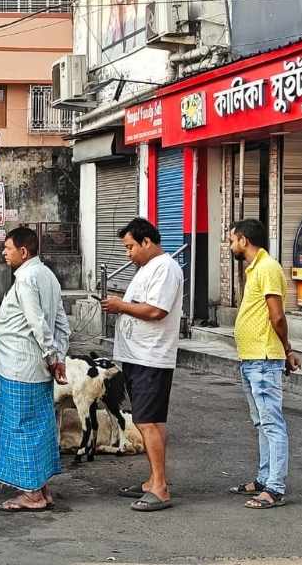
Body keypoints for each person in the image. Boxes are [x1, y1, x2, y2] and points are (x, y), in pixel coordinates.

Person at [102, 217, 183, 512]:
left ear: (146, 242)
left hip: (151, 356)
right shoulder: (148, 268)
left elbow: (156, 310)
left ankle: (160, 488)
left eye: (130, 247)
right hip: (138, 356)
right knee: (149, 420)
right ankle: (153, 479)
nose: (128, 254)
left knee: (147, 422)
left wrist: (120, 305)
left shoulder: (165, 268)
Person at [0, 227, 69, 512]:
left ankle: (32, 493)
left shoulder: (26, 278)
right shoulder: (47, 276)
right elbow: (61, 324)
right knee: (38, 426)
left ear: (24, 252)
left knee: (20, 427)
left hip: (19, 367)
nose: (4, 253)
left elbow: (38, 322)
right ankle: (41, 487)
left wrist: (52, 356)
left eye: (8, 248)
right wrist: (57, 356)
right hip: (33, 367)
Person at [227, 219, 301, 509]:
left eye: (232, 240)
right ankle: (263, 479)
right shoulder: (255, 268)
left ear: (244, 240)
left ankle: (275, 488)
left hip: (264, 359)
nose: (230, 245)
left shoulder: (268, 268)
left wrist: (287, 349)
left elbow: (277, 316)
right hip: (251, 358)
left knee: (272, 424)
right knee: (261, 423)